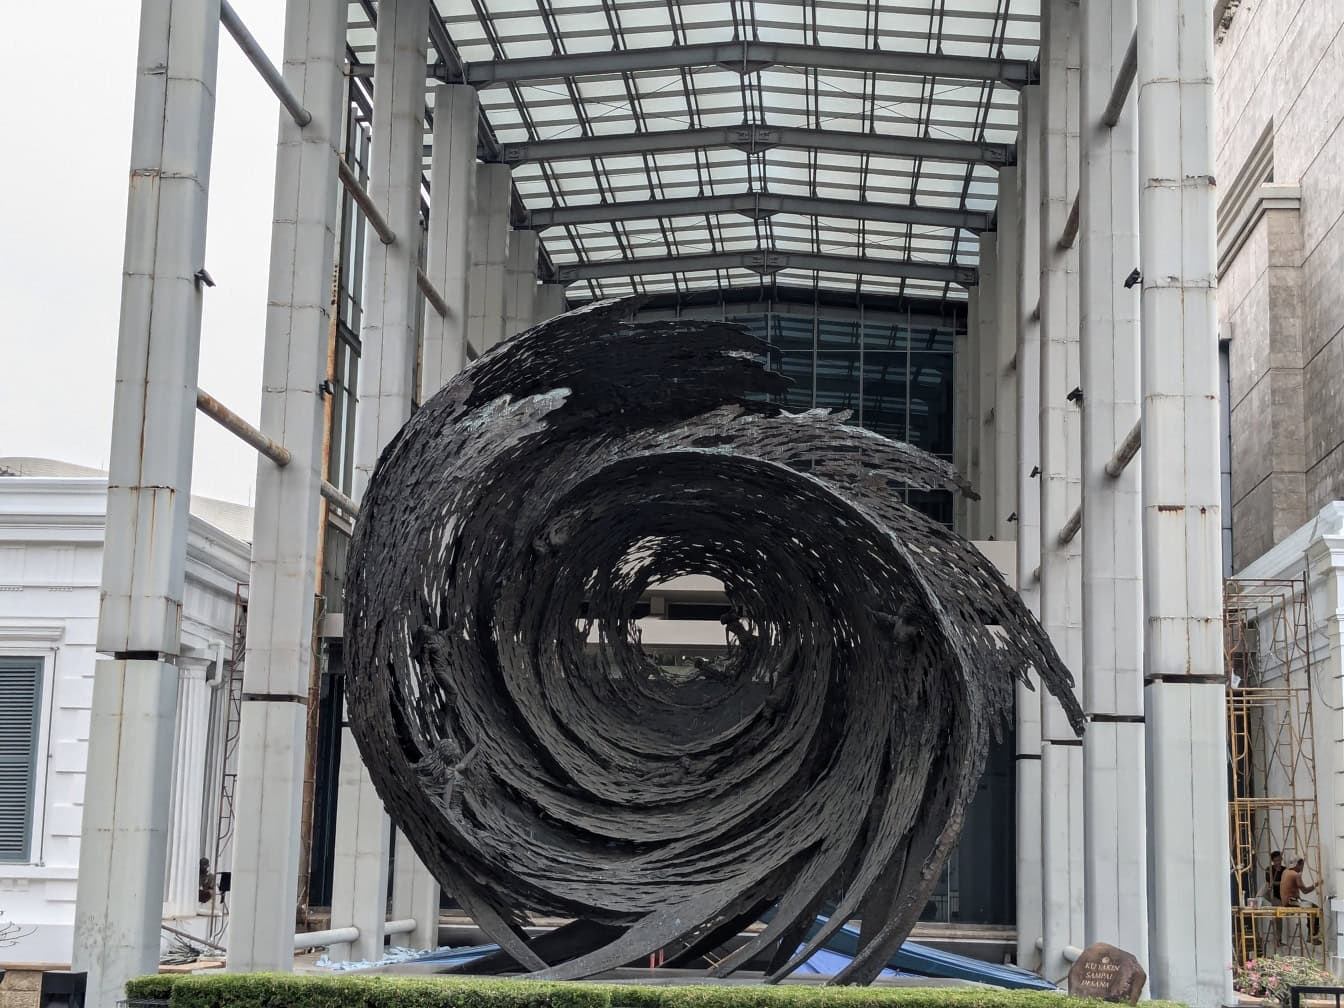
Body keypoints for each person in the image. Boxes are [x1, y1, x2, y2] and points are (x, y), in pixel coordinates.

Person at [1280, 857, 1321, 945]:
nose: (1302, 868)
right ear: (1298, 865)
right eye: (1302, 866)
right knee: (1315, 909)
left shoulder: (1285, 872)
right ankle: (1312, 936)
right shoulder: (1295, 875)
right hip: (1291, 901)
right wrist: (1316, 885)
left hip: (1286, 900)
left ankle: (1311, 935)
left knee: (1311, 908)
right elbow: (1305, 891)